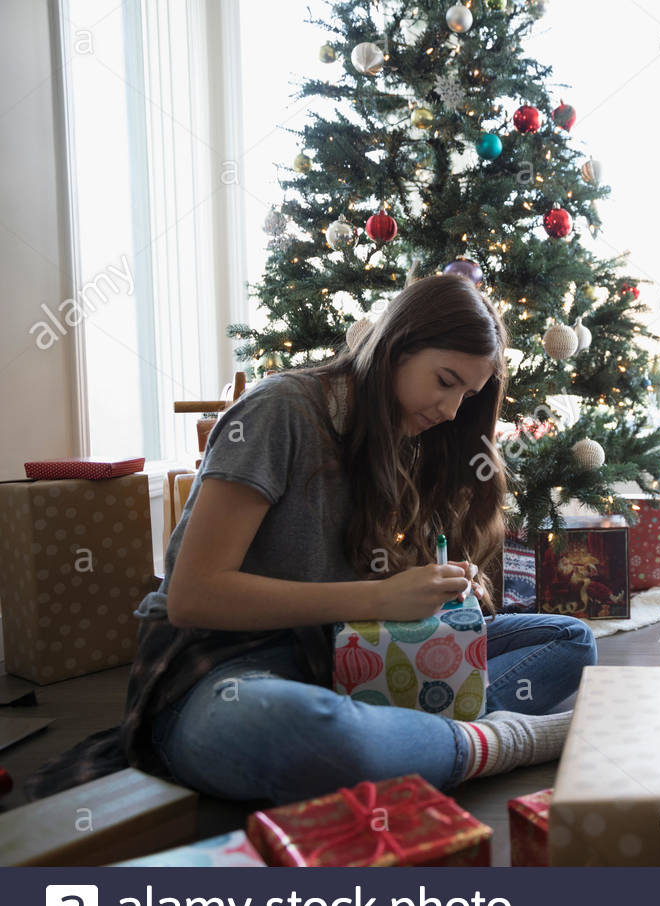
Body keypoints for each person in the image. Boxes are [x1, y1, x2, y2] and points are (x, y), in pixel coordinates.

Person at [26, 274, 594, 804]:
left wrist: (428, 591)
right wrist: (378, 599)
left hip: (345, 656)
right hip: (227, 670)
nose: (450, 411)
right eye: (446, 381)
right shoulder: (279, 411)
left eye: (467, 395)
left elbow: (365, 588)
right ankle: (498, 741)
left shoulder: (401, 433)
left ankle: (414, 740)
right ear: (396, 345)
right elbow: (193, 596)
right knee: (298, 729)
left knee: (570, 641)